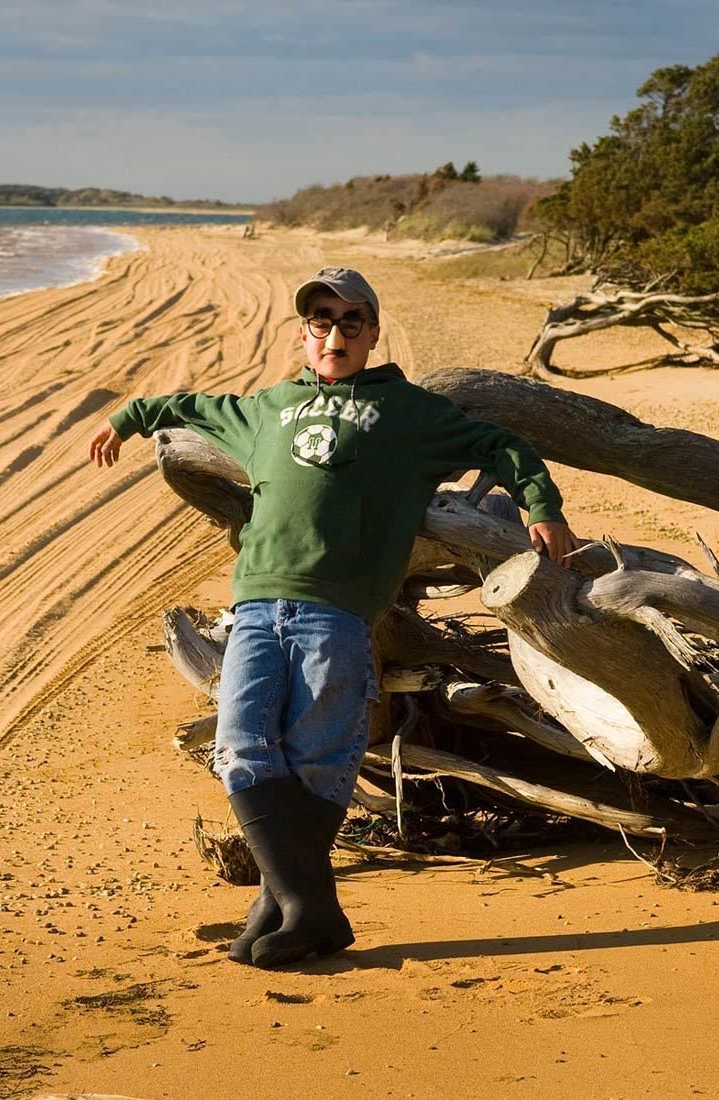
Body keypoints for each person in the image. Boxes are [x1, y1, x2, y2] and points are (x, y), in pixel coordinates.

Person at [88, 267, 575, 968]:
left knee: (317, 763)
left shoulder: (408, 412)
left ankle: (282, 905)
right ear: (303, 333)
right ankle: (310, 906)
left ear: (373, 333)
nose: (335, 332)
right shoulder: (267, 406)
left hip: (338, 614)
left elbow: (503, 447)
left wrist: (542, 507)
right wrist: (126, 419)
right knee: (240, 747)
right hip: (255, 607)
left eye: (352, 320)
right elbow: (188, 405)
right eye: (322, 319)